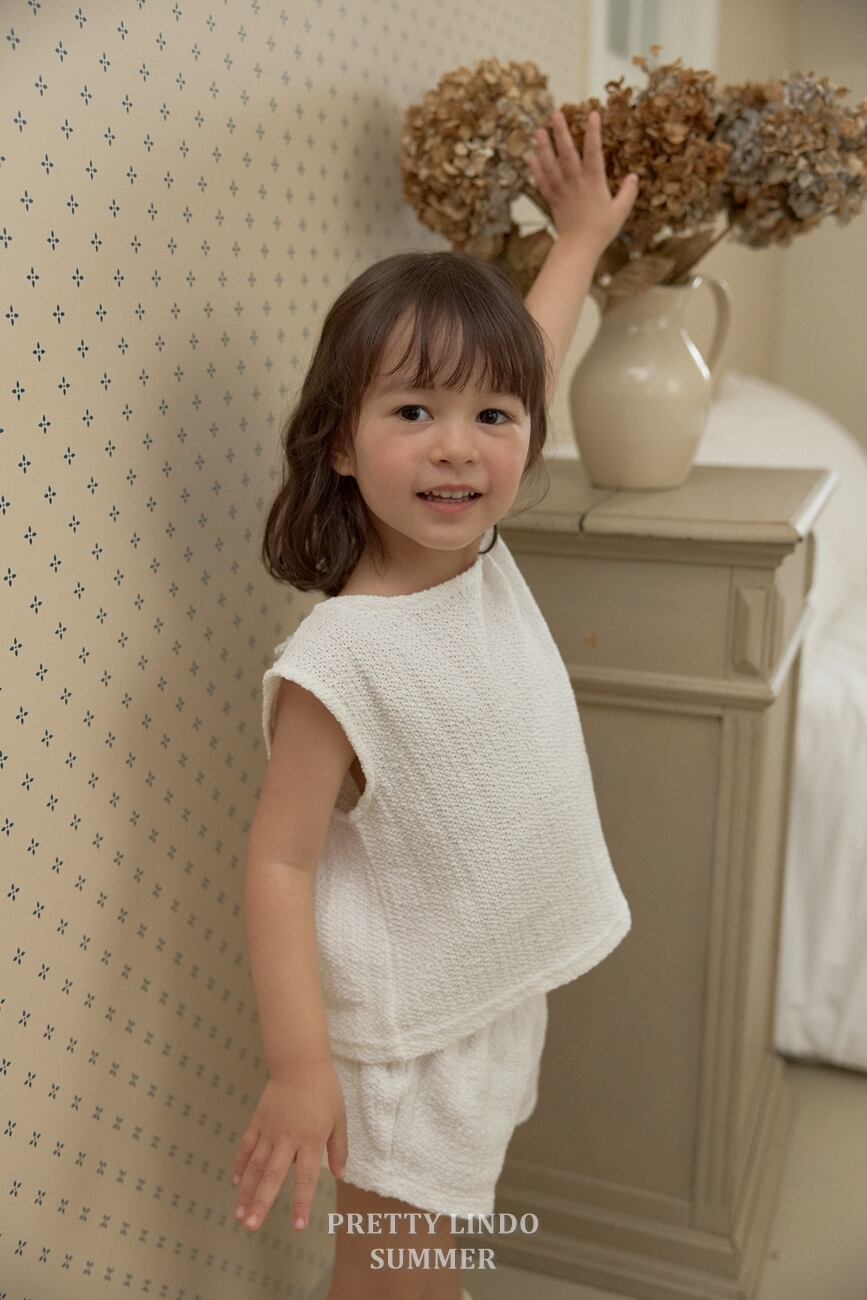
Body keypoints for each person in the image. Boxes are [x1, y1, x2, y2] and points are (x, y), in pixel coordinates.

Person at [232, 111, 639, 1300]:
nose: (458, 448)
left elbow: (528, 360)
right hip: (405, 1042)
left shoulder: (475, 551)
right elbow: (279, 862)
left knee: (429, 1261)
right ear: (341, 444)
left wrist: (579, 238)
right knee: (394, 1272)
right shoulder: (343, 657)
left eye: (489, 421)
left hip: (483, 994)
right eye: (412, 413)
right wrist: (299, 1067)